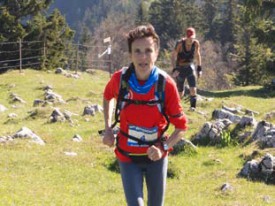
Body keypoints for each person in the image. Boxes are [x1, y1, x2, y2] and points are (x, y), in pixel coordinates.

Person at [102, 24, 188, 206]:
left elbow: (181, 127)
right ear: (130, 55)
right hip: (127, 156)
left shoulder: (166, 85)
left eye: (148, 50)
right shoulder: (120, 80)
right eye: (137, 51)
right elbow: (107, 96)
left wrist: (163, 147)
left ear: (156, 53)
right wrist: (108, 128)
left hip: (156, 159)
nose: (143, 57)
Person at [171, 27, 202, 111]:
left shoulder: (196, 43)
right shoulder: (180, 44)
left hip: (189, 67)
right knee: (180, 91)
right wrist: (174, 69)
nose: (191, 40)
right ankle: (176, 107)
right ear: (186, 37)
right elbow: (173, 56)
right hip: (180, 68)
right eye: (189, 38)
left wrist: (199, 68)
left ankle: (193, 108)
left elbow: (197, 55)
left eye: (192, 38)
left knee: (193, 88)